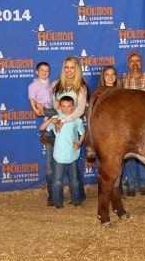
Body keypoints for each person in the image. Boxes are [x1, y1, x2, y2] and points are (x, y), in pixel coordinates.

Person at [51, 56, 88, 204]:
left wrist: (64, 120)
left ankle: (78, 197)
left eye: (72, 67)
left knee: (73, 166)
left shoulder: (81, 87)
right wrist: (55, 123)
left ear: (77, 69)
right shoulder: (55, 84)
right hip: (57, 129)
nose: (69, 70)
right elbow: (55, 107)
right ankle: (54, 198)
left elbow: (79, 110)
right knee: (54, 167)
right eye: (66, 67)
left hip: (71, 128)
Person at [40, 96, 86, 208]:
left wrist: (79, 143)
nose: (66, 109)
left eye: (69, 106)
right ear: (60, 107)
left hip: (72, 154)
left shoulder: (77, 120)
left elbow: (83, 133)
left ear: (73, 107)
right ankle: (57, 202)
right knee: (57, 180)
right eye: (64, 106)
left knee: (74, 179)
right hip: (58, 155)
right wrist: (50, 120)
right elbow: (42, 128)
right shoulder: (57, 118)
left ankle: (76, 200)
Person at [118, 51, 145, 196]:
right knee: (130, 155)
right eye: (132, 61)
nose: (135, 64)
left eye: (137, 60)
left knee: (144, 154)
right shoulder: (122, 80)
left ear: (141, 63)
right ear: (128, 64)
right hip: (128, 124)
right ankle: (131, 184)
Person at [28, 61, 58, 206]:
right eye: (42, 70)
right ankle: (51, 196)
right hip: (45, 113)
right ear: (36, 71)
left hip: (52, 115)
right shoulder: (33, 85)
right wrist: (35, 109)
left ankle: (47, 135)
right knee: (49, 165)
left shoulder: (50, 84)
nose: (44, 72)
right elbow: (32, 99)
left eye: (47, 70)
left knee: (56, 115)